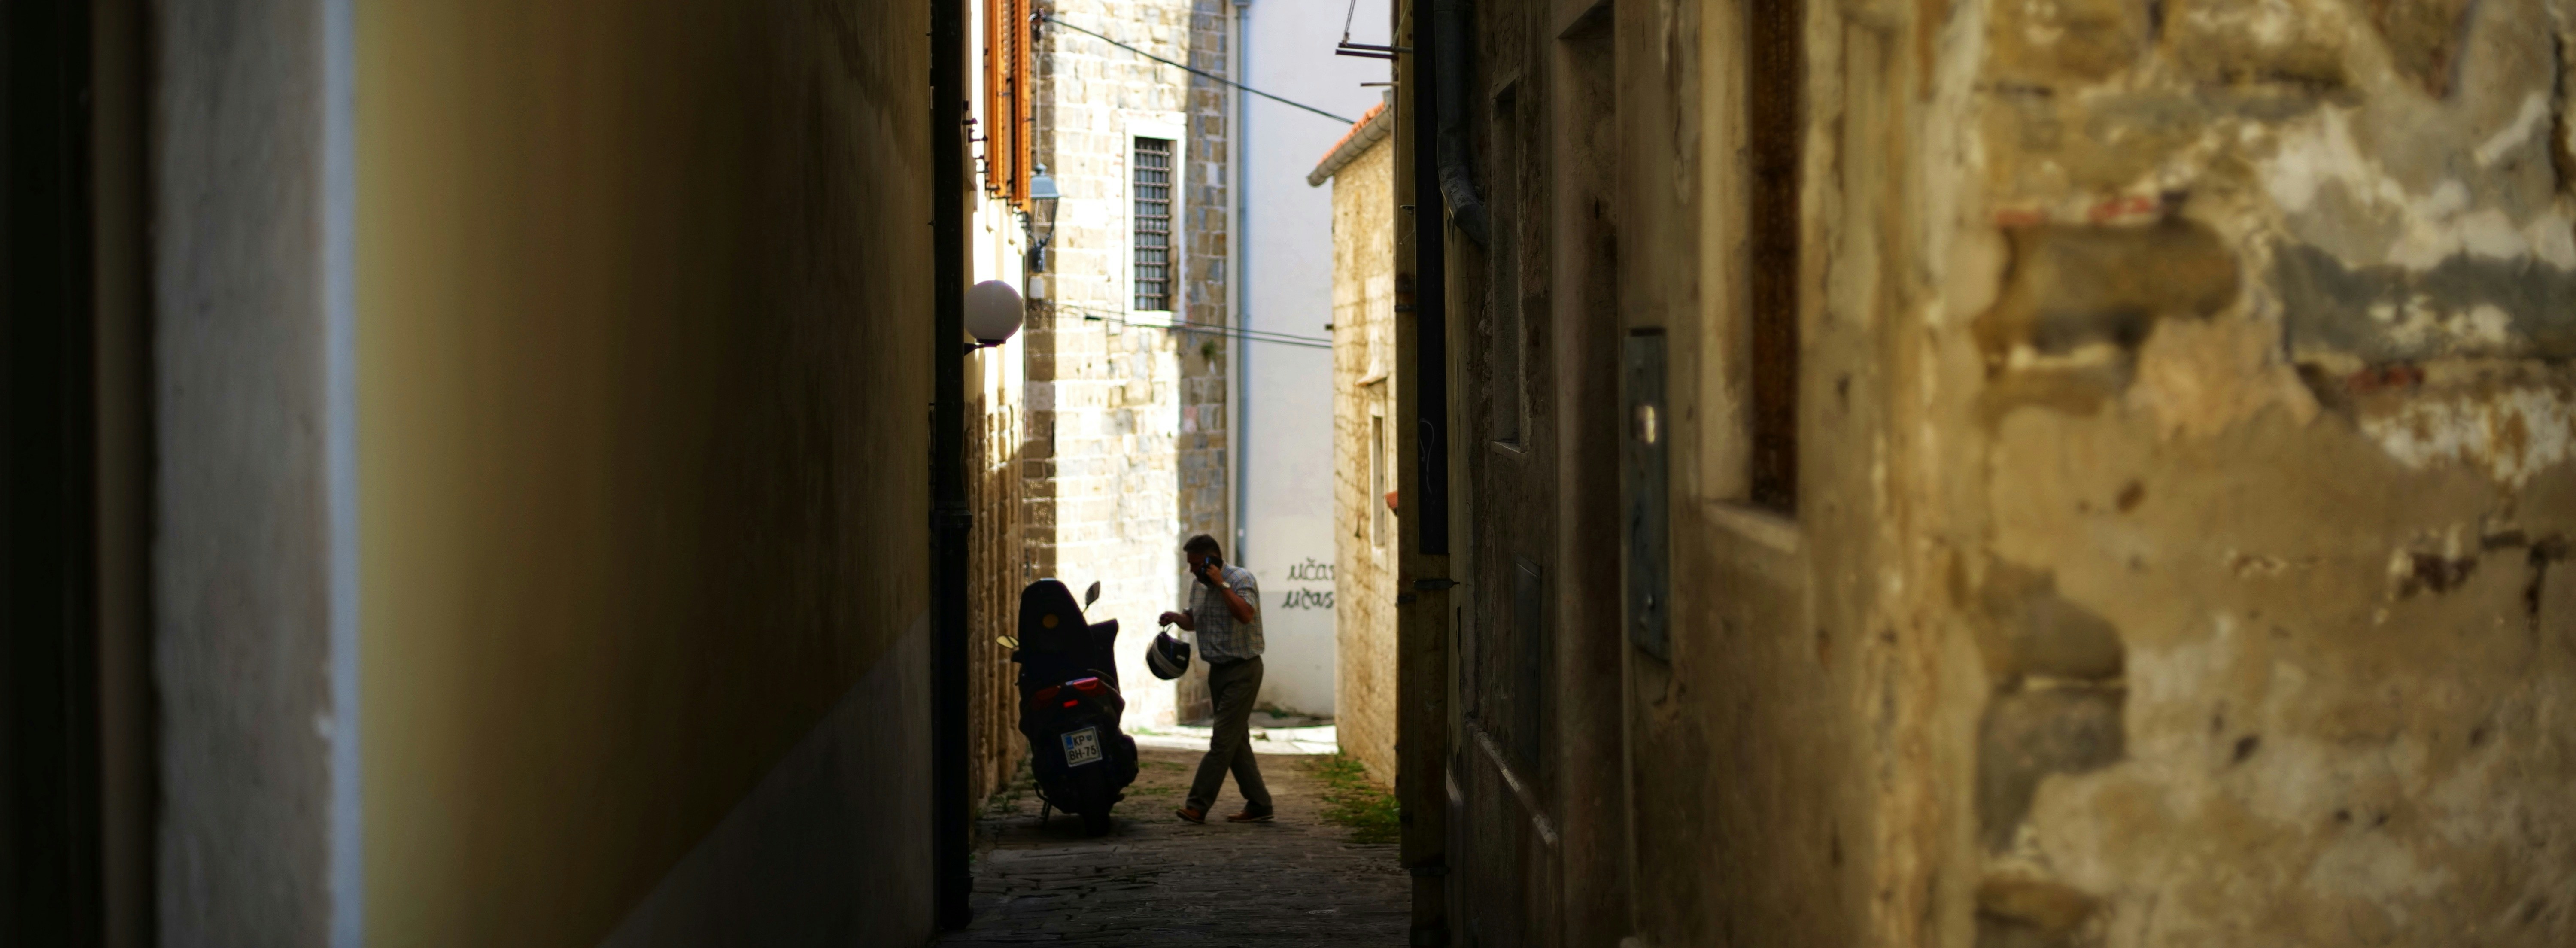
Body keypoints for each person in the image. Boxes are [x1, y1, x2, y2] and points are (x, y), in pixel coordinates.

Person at [1158, 534, 1273, 824]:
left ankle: (1197, 805)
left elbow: (1245, 614)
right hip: (1218, 671)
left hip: (1243, 671)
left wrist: (1221, 585)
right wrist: (1175, 618)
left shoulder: (1241, 580)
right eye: (1190, 565)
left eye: (1197, 565)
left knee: (1222, 740)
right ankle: (1260, 804)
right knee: (1236, 742)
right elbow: (1195, 621)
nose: (1192, 571)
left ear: (1212, 560)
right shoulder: (1198, 586)